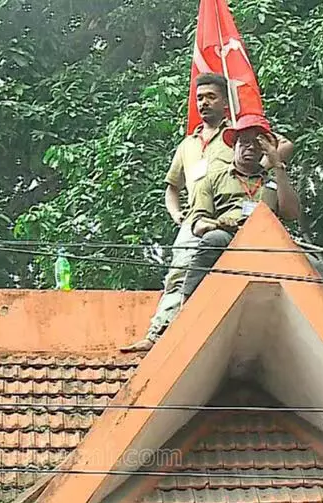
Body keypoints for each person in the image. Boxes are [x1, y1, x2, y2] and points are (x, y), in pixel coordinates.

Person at [120, 74, 293, 353]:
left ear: (226, 103)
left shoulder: (236, 134)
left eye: (211, 97)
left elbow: (284, 145)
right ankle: (160, 332)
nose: (203, 103)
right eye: (199, 98)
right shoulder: (187, 144)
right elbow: (171, 187)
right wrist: (177, 215)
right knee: (179, 273)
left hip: (238, 214)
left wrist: (260, 161)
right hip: (199, 218)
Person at [181, 114, 323, 300]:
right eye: (244, 142)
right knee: (213, 239)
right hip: (230, 235)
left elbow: (291, 213)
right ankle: (185, 304)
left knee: (317, 265)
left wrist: (277, 165)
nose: (250, 147)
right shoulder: (213, 178)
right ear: (233, 146)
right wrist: (219, 224)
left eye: (257, 143)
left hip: (268, 240)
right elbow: (197, 224)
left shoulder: (273, 183)